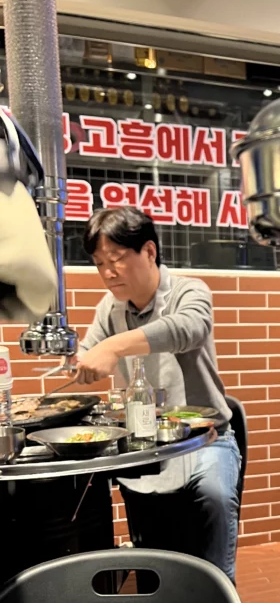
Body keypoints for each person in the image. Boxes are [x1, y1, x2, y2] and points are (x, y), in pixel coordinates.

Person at [74, 207, 240, 582]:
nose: (108, 272)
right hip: (146, 445)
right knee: (152, 551)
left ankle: (221, 596)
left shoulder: (188, 291)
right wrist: (79, 361)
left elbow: (188, 329)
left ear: (149, 251)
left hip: (206, 437)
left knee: (214, 497)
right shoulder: (109, 308)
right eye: (99, 263)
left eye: (116, 259)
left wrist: (113, 346)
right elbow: (88, 351)